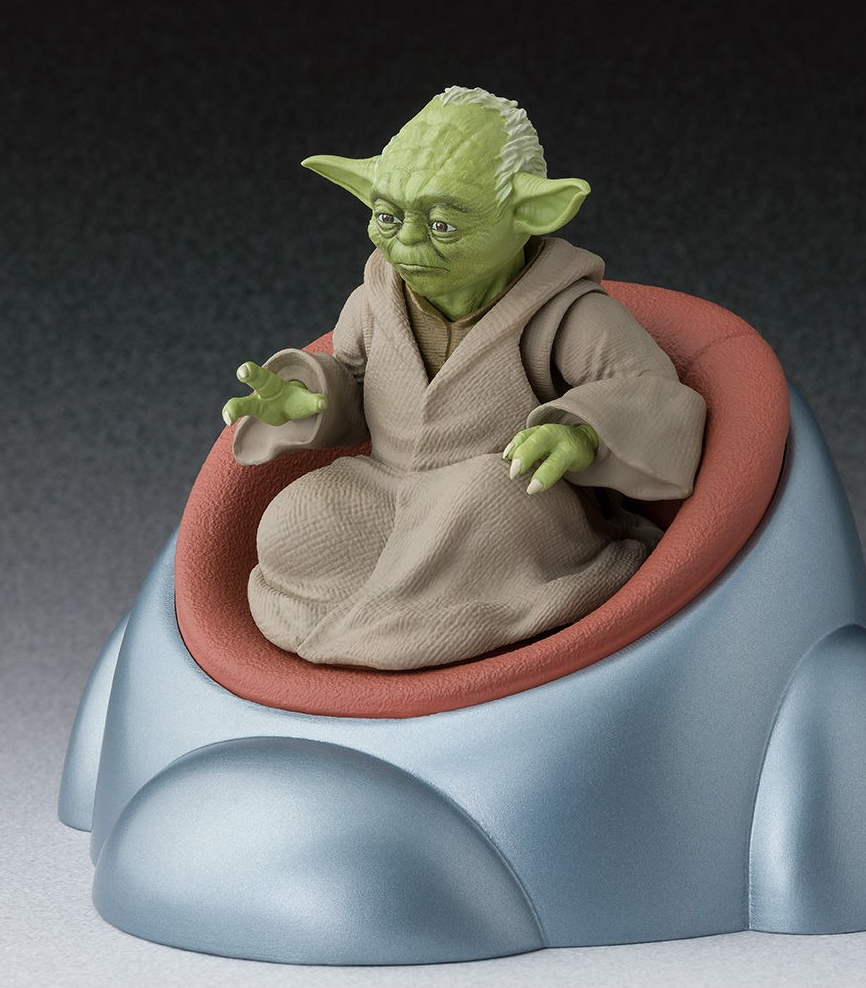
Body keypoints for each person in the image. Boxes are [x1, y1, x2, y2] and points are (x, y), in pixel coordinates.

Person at [222, 87, 706, 670]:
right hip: (390, 488)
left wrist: (580, 433)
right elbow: (355, 385)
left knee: (483, 496)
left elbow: (649, 393)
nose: (406, 242)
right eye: (387, 216)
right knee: (296, 519)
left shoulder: (568, 314)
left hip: (509, 499)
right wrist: (310, 398)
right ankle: (392, 614)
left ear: (530, 214)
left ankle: (391, 621)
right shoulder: (372, 304)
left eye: (443, 223)